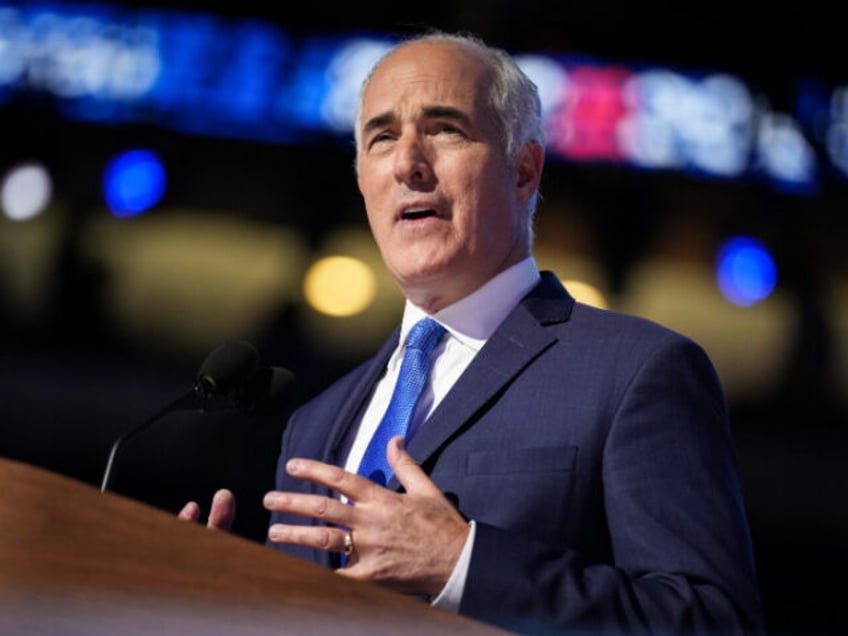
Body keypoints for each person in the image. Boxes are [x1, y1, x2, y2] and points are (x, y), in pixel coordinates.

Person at [180, 30, 765, 635]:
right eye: (382, 138)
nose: (408, 163)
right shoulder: (314, 424)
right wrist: (228, 604)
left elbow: (712, 621)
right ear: (362, 184)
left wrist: (463, 566)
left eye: (444, 130)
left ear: (524, 171)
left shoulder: (636, 372)